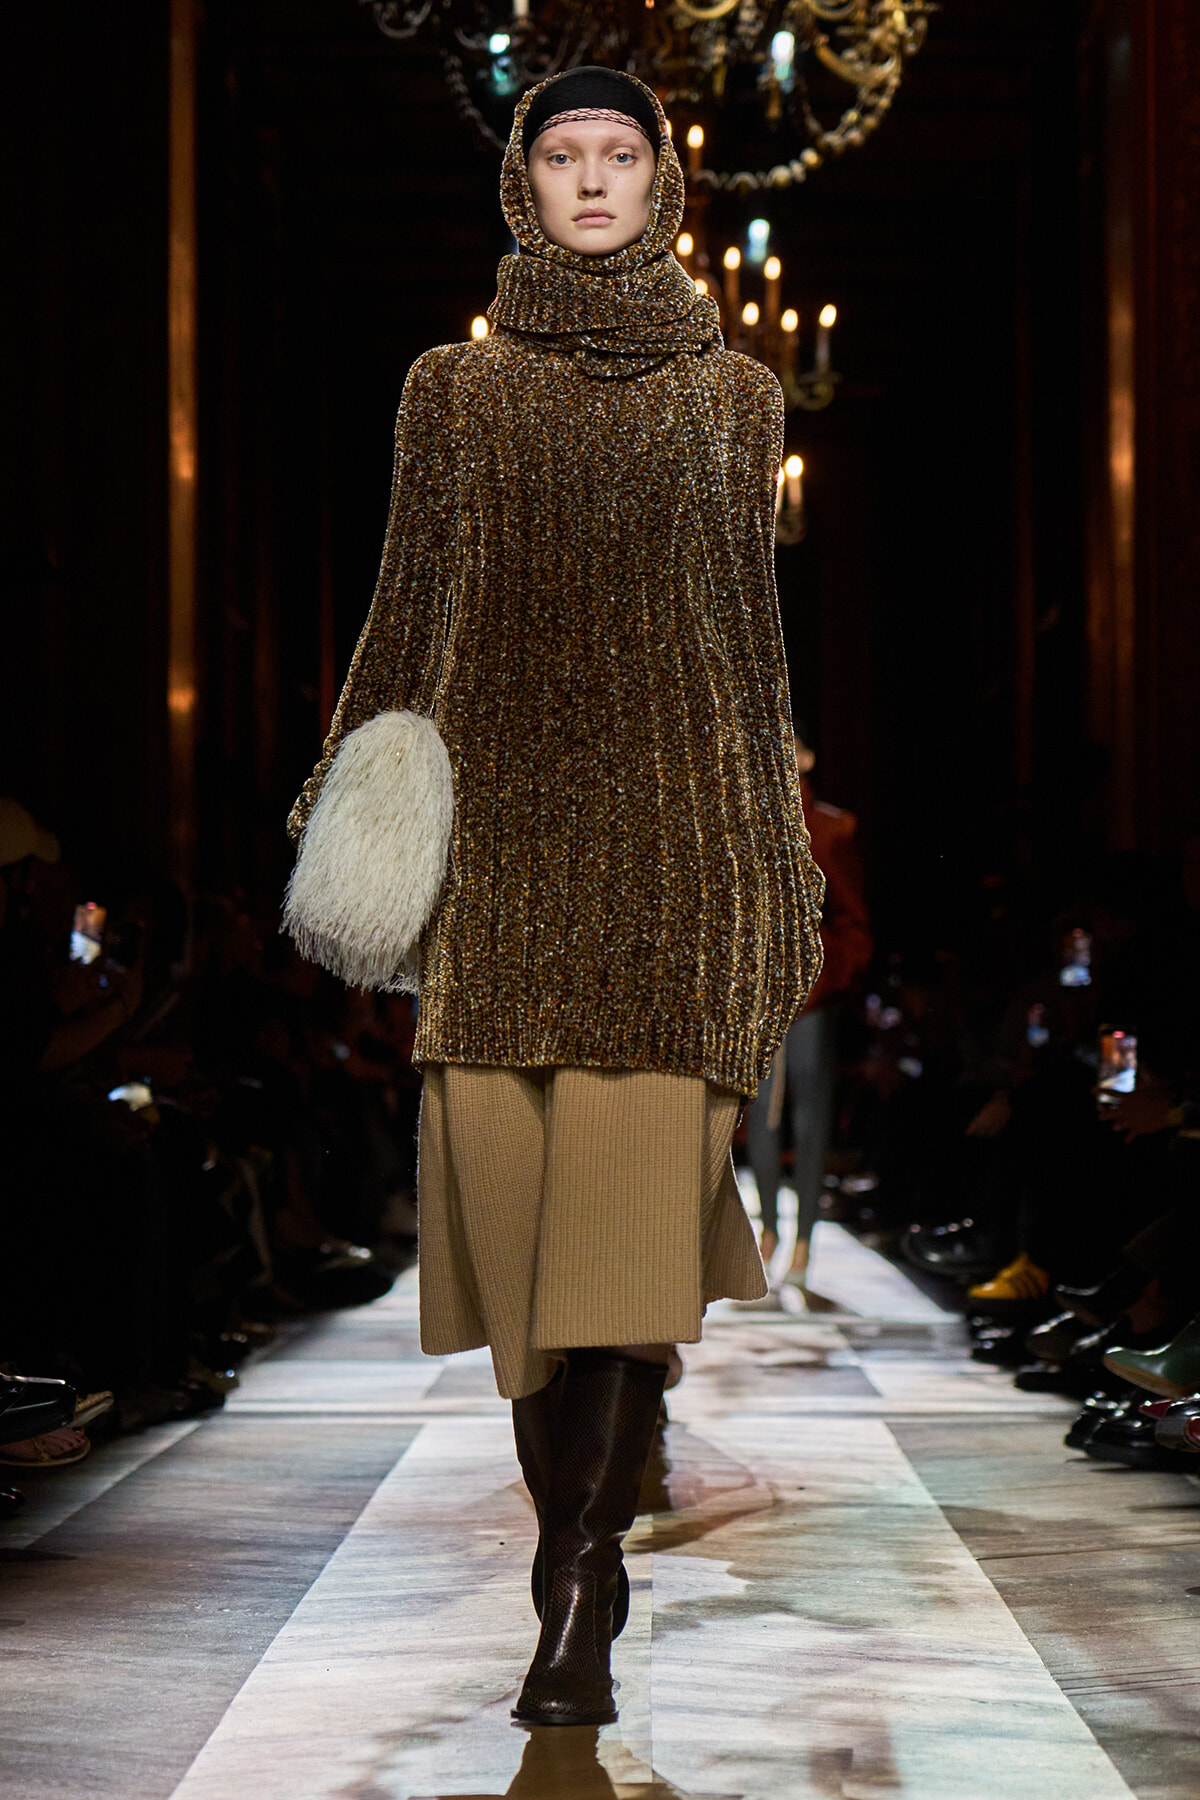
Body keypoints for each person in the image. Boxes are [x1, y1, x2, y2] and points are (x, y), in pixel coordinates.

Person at [288, 68, 824, 1728]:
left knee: (617, 1273)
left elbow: (748, 640)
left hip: (672, 872)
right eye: (565, 156)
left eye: (621, 156)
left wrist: (775, 853)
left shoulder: (733, 399)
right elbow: (406, 609)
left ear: (663, 182)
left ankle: (579, 1592)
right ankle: (568, 1559)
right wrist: (343, 814)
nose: (594, 181)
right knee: (530, 1289)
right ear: (525, 181)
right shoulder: (451, 393)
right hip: (503, 878)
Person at [743, 727, 872, 1305]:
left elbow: (852, 919)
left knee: (810, 1119)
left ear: (807, 756)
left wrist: (823, 978)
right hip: (757, 994)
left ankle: (803, 1242)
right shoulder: (748, 823)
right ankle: (769, 1231)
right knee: (762, 1118)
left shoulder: (832, 828)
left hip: (812, 994)